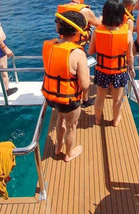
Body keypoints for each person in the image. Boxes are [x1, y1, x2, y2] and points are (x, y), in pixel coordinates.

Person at [42, 11, 90, 162]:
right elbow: (85, 84)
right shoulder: (77, 53)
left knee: (60, 119)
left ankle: (57, 147)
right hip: (69, 101)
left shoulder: (50, 46)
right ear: (77, 31)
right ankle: (68, 154)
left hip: (53, 98)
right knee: (71, 126)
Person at [88, 0, 135, 127]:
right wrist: (131, 68)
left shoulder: (97, 32)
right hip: (119, 72)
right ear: (121, 15)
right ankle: (115, 120)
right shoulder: (127, 34)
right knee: (117, 99)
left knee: (100, 97)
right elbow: (130, 56)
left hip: (102, 70)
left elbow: (91, 51)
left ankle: (97, 119)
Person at [57, 0, 101, 107]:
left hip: (63, 46)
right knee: (84, 74)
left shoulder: (62, 9)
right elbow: (98, 24)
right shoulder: (85, 11)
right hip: (78, 48)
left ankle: (67, 96)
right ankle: (85, 100)